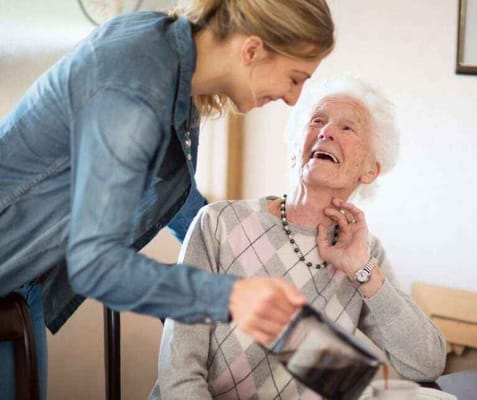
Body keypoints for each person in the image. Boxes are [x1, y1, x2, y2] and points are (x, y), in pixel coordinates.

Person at [0, 1, 335, 398]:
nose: (294, 99)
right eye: (295, 79)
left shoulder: (170, 59)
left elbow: (176, 196)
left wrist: (245, 268)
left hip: (24, 284)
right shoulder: (135, 88)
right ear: (252, 50)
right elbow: (94, 263)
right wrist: (230, 296)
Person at [152, 77, 447, 400]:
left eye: (347, 128)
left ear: (369, 170)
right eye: (317, 121)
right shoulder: (219, 223)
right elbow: (179, 372)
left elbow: (426, 363)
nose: (326, 131)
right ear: (296, 150)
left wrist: (363, 269)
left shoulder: (363, 252)